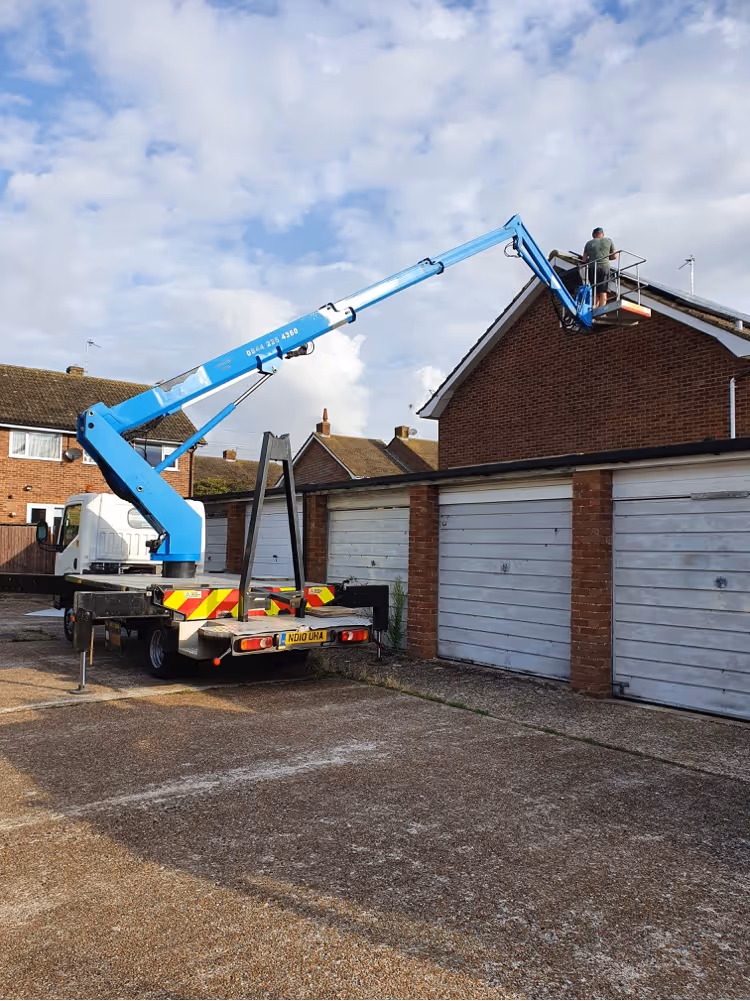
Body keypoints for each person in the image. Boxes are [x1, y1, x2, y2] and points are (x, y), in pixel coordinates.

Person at [582, 227, 618, 309]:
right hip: (604, 266)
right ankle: (602, 308)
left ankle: (594, 307)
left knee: (594, 289)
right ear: (602, 234)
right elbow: (615, 256)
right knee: (603, 289)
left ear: (594, 235)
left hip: (593, 267)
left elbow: (584, 260)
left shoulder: (588, 243)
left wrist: (591, 258)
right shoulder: (608, 241)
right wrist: (604, 258)